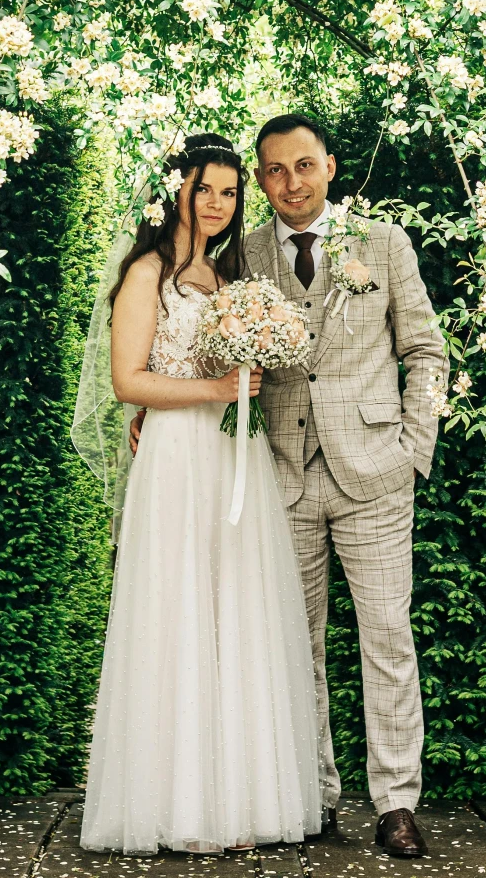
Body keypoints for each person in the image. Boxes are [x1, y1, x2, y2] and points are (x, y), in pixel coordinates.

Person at [72, 134, 320, 855]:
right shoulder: (147, 272)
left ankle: (236, 802)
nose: (218, 203)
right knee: (177, 616)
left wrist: (251, 363)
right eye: (205, 187)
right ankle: (174, 804)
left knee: (233, 613)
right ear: (175, 188)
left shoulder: (227, 277)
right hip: (178, 460)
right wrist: (209, 389)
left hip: (229, 454)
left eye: (230, 191)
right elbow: (127, 380)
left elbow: (227, 365)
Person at [244, 114, 446, 860]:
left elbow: (427, 352)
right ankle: (313, 793)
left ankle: (396, 800)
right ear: (261, 177)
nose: (290, 182)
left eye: (303, 165)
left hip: (375, 473)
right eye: (273, 169)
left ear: (330, 165)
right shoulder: (246, 253)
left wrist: (411, 449)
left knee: (387, 637)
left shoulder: (384, 244)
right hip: (285, 475)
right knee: (295, 645)